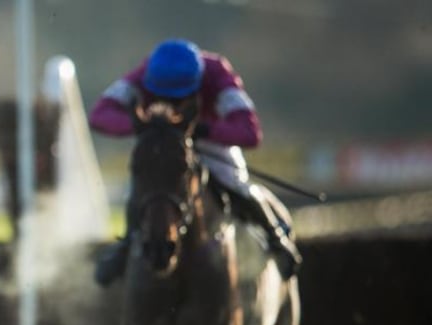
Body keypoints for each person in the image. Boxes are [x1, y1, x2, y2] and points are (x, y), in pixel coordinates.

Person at [88, 39, 302, 285]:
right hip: (164, 143)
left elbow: (250, 133)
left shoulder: (217, 73)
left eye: (180, 96)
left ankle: (276, 238)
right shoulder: (146, 71)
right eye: (163, 95)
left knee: (236, 183)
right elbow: (99, 115)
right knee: (146, 186)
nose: (173, 102)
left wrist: (205, 129)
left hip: (210, 142)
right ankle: (126, 244)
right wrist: (151, 128)